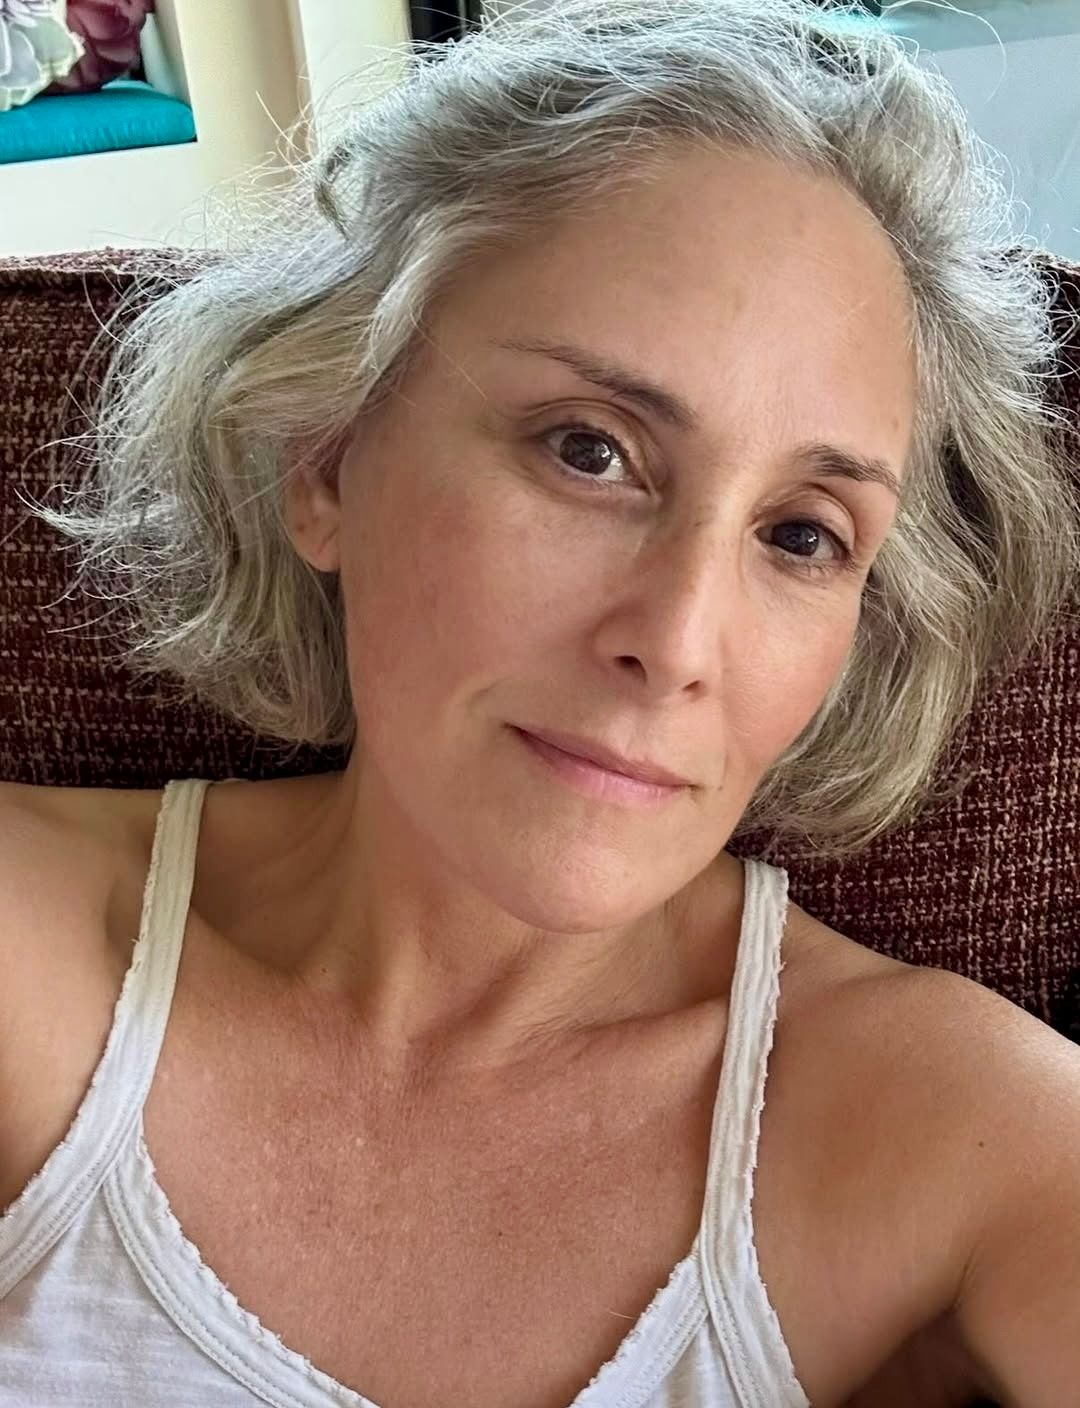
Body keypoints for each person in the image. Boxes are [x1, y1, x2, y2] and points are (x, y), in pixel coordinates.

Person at [2, 0, 1079, 1402]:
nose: (677, 642)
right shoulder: (34, 958)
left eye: (802, 534)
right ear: (327, 458)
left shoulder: (966, 1143)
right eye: (589, 451)